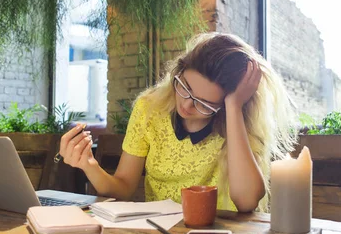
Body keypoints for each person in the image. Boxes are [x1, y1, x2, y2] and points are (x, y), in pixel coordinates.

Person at [59, 32, 297, 212]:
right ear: (178, 73)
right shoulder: (149, 108)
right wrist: (89, 164)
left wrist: (234, 107)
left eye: (204, 103)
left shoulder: (234, 123)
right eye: (185, 87)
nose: (187, 105)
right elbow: (123, 187)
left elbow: (246, 202)